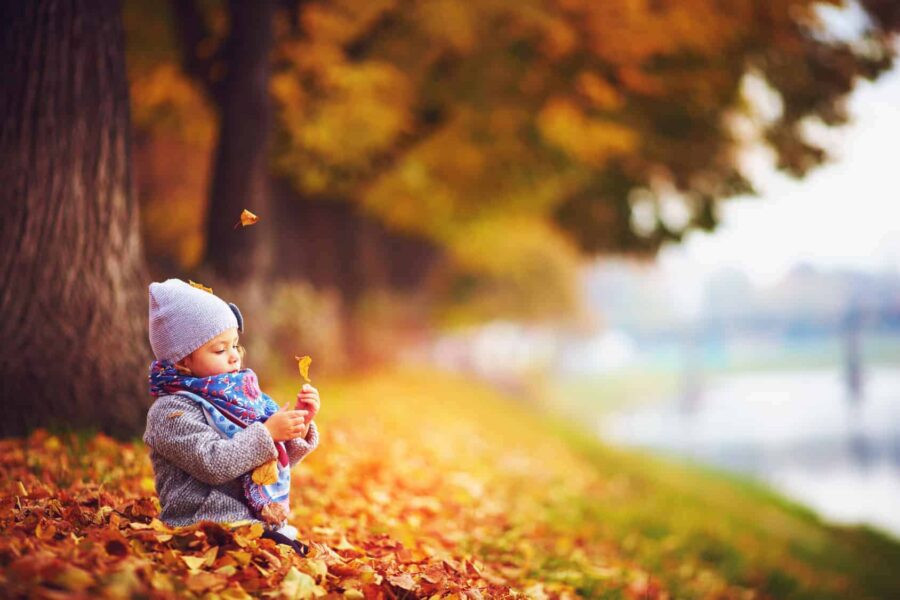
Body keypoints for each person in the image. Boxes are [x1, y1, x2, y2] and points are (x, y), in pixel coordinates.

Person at [142, 279, 320, 556]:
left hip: (249, 520)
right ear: (182, 361)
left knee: (296, 555)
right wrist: (267, 433)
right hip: (204, 521)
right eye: (220, 349)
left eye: (235, 345)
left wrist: (298, 427)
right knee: (282, 555)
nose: (234, 357)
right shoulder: (170, 412)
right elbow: (213, 463)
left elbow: (264, 466)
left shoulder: (236, 400)